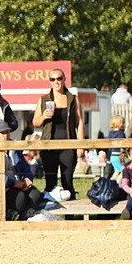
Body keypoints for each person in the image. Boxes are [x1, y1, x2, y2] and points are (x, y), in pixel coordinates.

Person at [31, 68, 85, 201]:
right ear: (49, 81)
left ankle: (70, 216)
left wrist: (81, 145)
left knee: (68, 182)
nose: (56, 82)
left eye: (59, 78)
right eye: (53, 79)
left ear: (64, 79)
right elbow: (35, 122)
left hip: (68, 144)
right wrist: (43, 116)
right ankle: (50, 214)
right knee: (50, 183)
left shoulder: (73, 99)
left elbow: (80, 123)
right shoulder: (43, 100)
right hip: (49, 145)